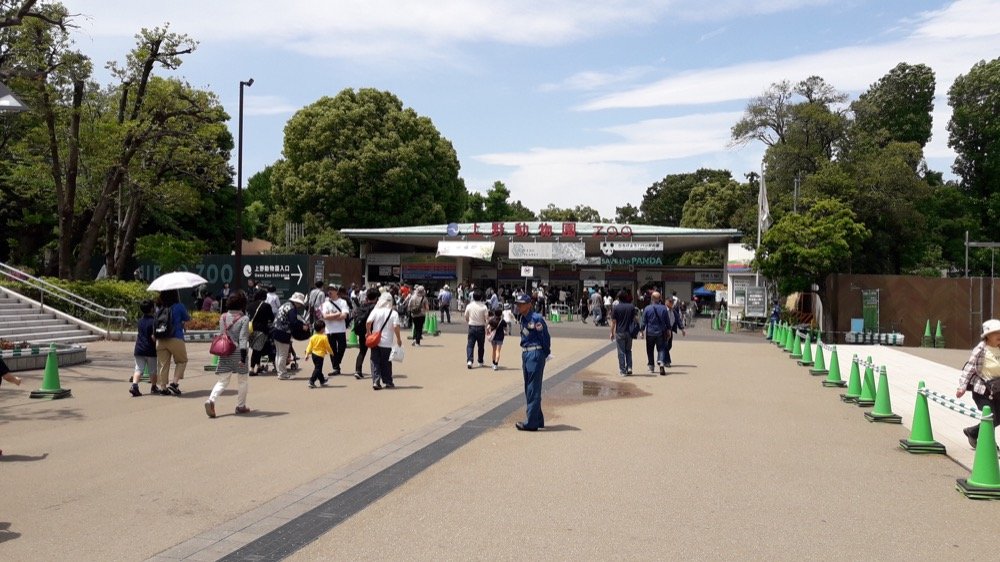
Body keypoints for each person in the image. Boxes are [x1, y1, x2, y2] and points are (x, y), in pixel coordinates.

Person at [204, 292, 252, 417]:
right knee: (242, 380)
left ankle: (211, 400)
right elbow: (243, 338)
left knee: (223, 380)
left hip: (225, 351)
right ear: (242, 304)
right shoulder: (244, 319)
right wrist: (243, 357)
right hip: (238, 352)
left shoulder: (223, 317)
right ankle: (241, 406)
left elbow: (222, 334)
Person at [957, 319, 1000, 448]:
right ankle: (989, 445)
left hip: (997, 390)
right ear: (988, 335)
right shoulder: (981, 349)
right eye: (996, 332)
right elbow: (969, 368)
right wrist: (962, 387)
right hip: (982, 390)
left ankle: (973, 432)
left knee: (998, 417)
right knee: (991, 416)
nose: (999, 335)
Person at [514, 293, 550, 431]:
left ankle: (531, 422)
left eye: (522, 304)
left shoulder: (536, 319)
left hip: (534, 353)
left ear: (529, 304)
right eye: (518, 304)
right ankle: (538, 419)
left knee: (532, 389)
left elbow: (545, 337)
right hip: (526, 353)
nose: (519, 306)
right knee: (529, 388)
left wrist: (544, 353)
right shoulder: (523, 318)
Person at [154, 289, 190, 396]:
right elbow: (187, 318)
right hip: (176, 338)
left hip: (160, 339)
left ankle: (163, 388)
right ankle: (174, 384)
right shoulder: (179, 306)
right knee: (182, 361)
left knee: (162, 364)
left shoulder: (160, 308)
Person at [366, 292, 402, 390]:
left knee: (375, 361)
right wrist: (398, 338)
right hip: (387, 342)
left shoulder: (376, 310)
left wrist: (368, 332)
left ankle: (376, 381)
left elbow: (368, 322)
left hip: (375, 341)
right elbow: (396, 327)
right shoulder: (394, 313)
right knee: (386, 362)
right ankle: (388, 382)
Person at [271, 292, 307, 380]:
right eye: (300, 303)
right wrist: (302, 326)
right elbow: (293, 322)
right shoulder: (292, 308)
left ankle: (279, 372)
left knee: (278, 353)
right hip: (283, 332)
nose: (299, 305)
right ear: (297, 302)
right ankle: (282, 373)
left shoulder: (285, 305)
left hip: (275, 330)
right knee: (283, 354)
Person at [129, 299, 158, 396]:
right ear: (151, 309)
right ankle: (154, 387)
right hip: (150, 349)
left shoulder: (140, 321)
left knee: (138, 369)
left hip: (139, 348)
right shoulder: (153, 321)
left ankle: (134, 385)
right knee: (153, 370)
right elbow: (153, 337)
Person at [321, 284, 350, 376]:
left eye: (332, 289)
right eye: (328, 289)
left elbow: (344, 315)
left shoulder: (343, 302)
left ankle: (337, 362)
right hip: (329, 330)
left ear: (336, 291)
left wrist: (331, 316)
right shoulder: (325, 303)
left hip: (341, 329)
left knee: (342, 347)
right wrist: (337, 315)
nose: (330, 291)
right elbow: (325, 316)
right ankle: (336, 368)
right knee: (332, 350)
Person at [641, 291, 672, 376]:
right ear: (659, 299)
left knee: (650, 349)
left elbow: (644, 321)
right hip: (661, 332)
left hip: (650, 332)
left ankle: (651, 366)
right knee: (661, 348)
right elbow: (667, 321)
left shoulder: (647, 308)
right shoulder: (663, 308)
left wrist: (641, 331)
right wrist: (669, 330)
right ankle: (661, 362)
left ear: (652, 298)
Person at [352, 288, 379, 380]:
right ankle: (376, 372)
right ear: (376, 298)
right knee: (375, 352)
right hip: (372, 332)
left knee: (362, 351)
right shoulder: (376, 307)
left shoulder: (362, 306)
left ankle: (358, 371)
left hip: (361, 332)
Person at [609, 289, 638, 376]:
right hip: (629, 332)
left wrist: (611, 332)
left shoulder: (616, 308)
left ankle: (622, 370)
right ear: (626, 297)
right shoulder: (631, 307)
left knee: (621, 351)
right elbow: (635, 319)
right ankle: (629, 367)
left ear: (618, 298)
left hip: (620, 331)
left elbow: (613, 322)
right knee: (628, 350)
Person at [248, 288, 275, 376]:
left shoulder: (250, 305)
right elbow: (272, 318)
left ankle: (259, 366)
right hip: (262, 330)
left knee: (257, 348)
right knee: (257, 349)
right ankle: (251, 369)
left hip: (251, 329)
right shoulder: (266, 306)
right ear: (264, 296)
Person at [464, 289, 489, 369]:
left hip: (472, 326)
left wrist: (468, 321)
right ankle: (480, 361)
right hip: (481, 327)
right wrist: (487, 326)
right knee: (481, 345)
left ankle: (470, 361)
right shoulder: (484, 307)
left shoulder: (469, 306)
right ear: (481, 297)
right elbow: (487, 318)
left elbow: (466, 316)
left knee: (470, 345)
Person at [304, 320, 333, 388]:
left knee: (318, 368)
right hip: (320, 356)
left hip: (314, 355)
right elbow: (327, 346)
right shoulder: (324, 337)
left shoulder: (313, 337)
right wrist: (331, 352)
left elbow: (309, 346)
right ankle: (312, 380)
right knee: (318, 369)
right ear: (322, 329)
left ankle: (322, 380)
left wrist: (307, 354)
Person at [664, 297, 686, 368]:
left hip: (670, 329)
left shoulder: (674, 311)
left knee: (669, 346)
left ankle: (662, 356)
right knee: (666, 346)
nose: (671, 304)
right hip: (664, 330)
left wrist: (682, 329)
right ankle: (667, 361)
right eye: (670, 302)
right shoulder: (663, 310)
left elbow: (678, 320)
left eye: (672, 302)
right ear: (666, 302)